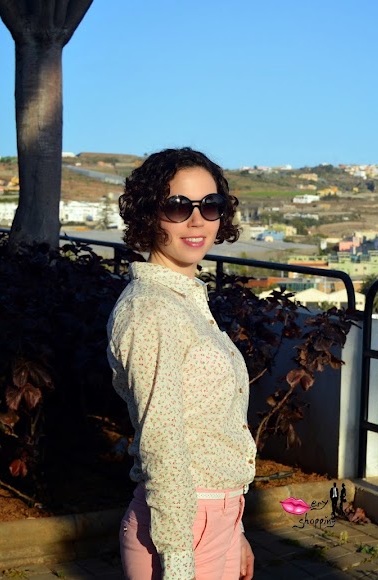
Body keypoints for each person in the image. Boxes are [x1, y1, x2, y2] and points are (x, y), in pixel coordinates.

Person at [107, 147, 257, 580]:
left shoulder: (184, 299)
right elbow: (162, 443)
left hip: (217, 519)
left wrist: (234, 528)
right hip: (181, 531)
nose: (197, 221)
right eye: (177, 206)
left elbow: (211, 427)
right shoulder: (151, 310)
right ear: (148, 214)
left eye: (210, 205)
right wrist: (178, 562)